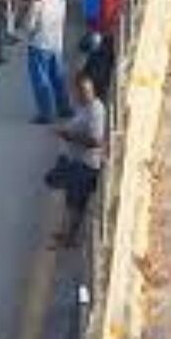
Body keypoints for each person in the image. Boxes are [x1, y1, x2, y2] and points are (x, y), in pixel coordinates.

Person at [48, 72, 107, 247]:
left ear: (92, 91)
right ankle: (67, 234)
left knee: (76, 204)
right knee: (72, 202)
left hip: (87, 164)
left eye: (85, 91)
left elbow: (95, 141)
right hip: (77, 161)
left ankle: (70, 238)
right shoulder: (83, 107)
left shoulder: (96, 110)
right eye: (79, 91)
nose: (81, 95)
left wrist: (69, 135)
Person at [23, 0, 68, 123]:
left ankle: (46, 113)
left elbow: (29, 27)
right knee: (58, 78)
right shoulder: (61, 2)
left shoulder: (38, 5)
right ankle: (64, 108)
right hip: (56, 45)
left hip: (39, 46)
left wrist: (30, 5)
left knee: (41, 81)